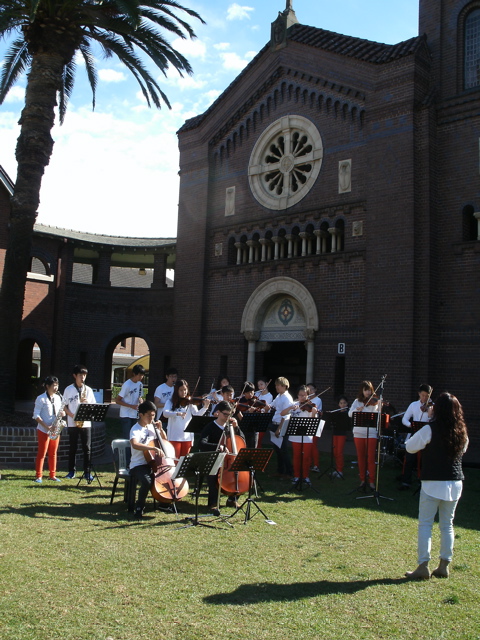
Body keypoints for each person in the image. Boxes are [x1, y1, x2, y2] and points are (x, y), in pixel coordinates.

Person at [405, 392, 468, 580]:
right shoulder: (461, 431)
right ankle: (444, 565)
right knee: (447, 525)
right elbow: (463, 449)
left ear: (437, 409)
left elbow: (410, 447)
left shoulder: (430, 429)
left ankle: (423, 566)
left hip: (433, 482)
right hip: (455, 482)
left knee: (425, 524)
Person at [199, 400, 244, 514]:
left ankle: (232, 499)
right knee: (213, 474)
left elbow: (242, 440)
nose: (227, 417)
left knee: (239, 474)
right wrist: (218, 447)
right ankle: (213, 502)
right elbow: (202, 443)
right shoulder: (210, 426)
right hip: (214, 458)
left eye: (229, 415)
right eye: (225, 414)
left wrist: (237, 428)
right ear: (218, 412)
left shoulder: (230, 426)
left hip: (229, 459)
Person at [129, 400, 167, 518]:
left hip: (153, 463)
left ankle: (164, 503)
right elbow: (135, 444)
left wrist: (160, 430)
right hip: (138, 464)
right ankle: (139, 507)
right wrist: (154, 449)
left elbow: (164, 441)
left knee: (165, 477)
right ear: (141, 415)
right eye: (149, 415)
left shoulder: (152, 427)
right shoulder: (135, 429)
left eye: (153, 415)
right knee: (147, 481)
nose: (152, 418)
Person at [63, 365, 97, 481]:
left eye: (84, 375)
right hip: (72, 422)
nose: (83, 378)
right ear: (75, 376)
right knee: (72, 448)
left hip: (86, 423)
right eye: (80, 375)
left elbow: (94, 407)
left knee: (87, 448)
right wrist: (72, 415)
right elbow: (64, 406)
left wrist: (88, 404)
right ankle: (71, 471)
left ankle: (87, 472)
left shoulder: (88, 390)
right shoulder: (68, 389)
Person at [280, 385, 318, 485]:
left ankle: (305, 476)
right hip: (295, 434)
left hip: (307, 435)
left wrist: (313, 413)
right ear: (297, 395)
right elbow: (282, 413)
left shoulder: (311, 406)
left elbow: (314, 421)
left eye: (304, 395)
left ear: (308, 396)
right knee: (296, 456)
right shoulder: (295, 405)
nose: (302, 397)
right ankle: (297, 476)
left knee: (306, 457)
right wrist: (290, 407)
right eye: (300, 395)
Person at [162, 378, 210, 458]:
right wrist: (177, 413)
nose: (184, 392)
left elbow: (197, 415)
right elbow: (165, 413)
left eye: (185, 390)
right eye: (181, 390)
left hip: (187, 436)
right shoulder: (170, 402)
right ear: (176, 390)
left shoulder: (190, 402)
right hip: (174, 436)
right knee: (175, 459)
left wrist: (205, 407)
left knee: (184, 460)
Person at [398, 384, 433, 491]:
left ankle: (423, 482)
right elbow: (405, 419)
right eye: (423, 395)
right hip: (415, 433)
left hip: (427, 435)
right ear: (419, 394)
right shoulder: (413, 405)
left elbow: (435, 420)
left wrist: (430, 413)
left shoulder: (433, 406)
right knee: (409, 458)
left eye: (427, 396)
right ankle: (406, 482)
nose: (425, 398)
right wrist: (411, 425)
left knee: (424, 460)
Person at [32, 376, 65, 483]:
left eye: (57, 385)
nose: (56, 388)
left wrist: (63, 414)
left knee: (53, 453)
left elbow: (60, 411)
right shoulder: (40, 398)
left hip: (55, 429)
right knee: (42, 453)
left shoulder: (58, 398)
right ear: (47, 386)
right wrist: (46, 426)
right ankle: (39, 476)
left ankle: (52, 475)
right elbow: (36, 415)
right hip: (43, 429)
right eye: (54, 385)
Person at [348, 380, 380, 489]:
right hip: (358, 432)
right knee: (360, 457)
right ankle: (362, 479)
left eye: (369, 390)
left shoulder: (374, 402)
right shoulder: (357, 401)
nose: (368, 393)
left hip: (371, 432)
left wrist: (380, 405)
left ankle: (371, 481)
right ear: (362, 390)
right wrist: (357, 410)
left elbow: (378, 415)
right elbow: (349, 413)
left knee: (371, 457)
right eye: (366, 390)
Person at [265, 377, 294, 478]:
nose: (276, 387)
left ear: (284, 386)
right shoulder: (279, 396)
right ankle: (280, 471)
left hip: (281, 426)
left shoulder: (287, 398)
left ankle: (289, 472)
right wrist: (265, 406)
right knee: (277, 450)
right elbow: (272, 406)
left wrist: (279, 429)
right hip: (274, 423)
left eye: (279, 385)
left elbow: (286, 415)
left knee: (283, 450)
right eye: (276, 385)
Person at [116, 364, 145, 439]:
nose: (141, 377)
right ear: (134, 374)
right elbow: (117, 400)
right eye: (139, 375)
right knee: (127, 437)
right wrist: (131, 406)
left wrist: (140, 400)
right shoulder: (127, 385)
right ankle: (126, 450)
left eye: (142, 375)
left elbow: (139, 396)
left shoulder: (140, 384)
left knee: (134, 436)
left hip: (135, 414)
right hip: (126, 414)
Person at [327, 395, 351, 479]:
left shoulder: (348, 413)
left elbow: (348, 424)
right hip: (335, 433)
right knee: (334, 451)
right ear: (339, 404)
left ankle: (340, 470)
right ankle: (336, 469)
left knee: (339, 452)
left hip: (342, 433)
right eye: (341, 403)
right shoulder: (336, 413)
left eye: (344, 403)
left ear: (347, 403)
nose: (343, 405)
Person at [307, 382, 323, 472]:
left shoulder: (318, 400)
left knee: (313, 445)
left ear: (315, 389)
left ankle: (316, 465)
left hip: (315, 423)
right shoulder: (306, 399)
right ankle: (308, 464)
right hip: (307, 423)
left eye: (312, 389)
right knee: (308, 445)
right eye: (308, 389)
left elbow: (318, 411)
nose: (310, 391)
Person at [254, 378, 273, 448]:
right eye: (258, 385)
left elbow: (264, 408)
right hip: (255, 419)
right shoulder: (257, 394)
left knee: (258, 440)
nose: (260, 387)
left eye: (261, 384)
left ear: (267, 384)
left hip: (262, 419)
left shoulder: (269, 396)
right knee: (254, 440)